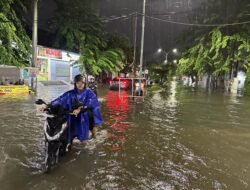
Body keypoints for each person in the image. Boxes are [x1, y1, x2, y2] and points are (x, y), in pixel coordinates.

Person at [50, 74, 103, 145]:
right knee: (70, 132)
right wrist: (48, 105)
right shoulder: (70, 93)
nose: (80, 85)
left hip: (86, 114)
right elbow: (60, 99)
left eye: (82, 83)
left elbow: (92, 101)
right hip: (74, 114)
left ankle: (93, 135)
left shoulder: (89, 92)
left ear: (85, 83)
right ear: (75, 84)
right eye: (78, 83)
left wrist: (81, 108)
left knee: (90, 126)